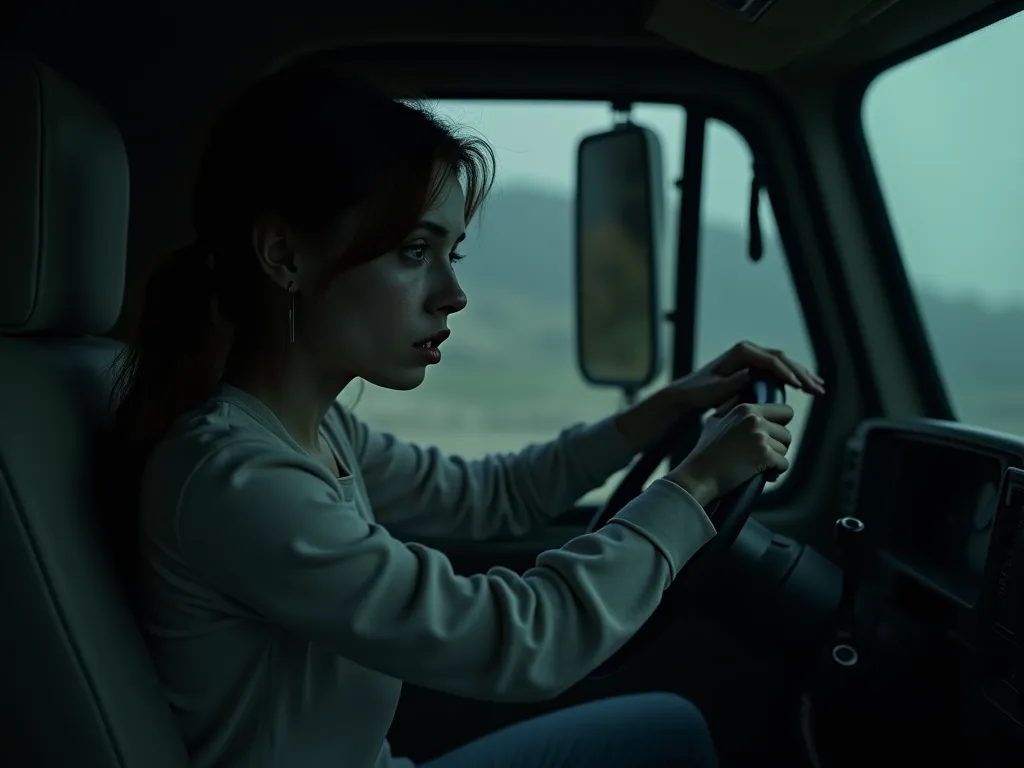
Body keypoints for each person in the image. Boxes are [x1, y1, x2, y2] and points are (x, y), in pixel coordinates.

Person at [110, 62, 825, 768]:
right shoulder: (238, 478)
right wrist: (695, 486)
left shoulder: (320, 432)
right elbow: (519, 644)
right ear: (283, 255)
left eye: (450, 253)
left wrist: (669, 406)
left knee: (668, 729)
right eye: (415, 252)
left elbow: (495, 495)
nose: (452, 293)